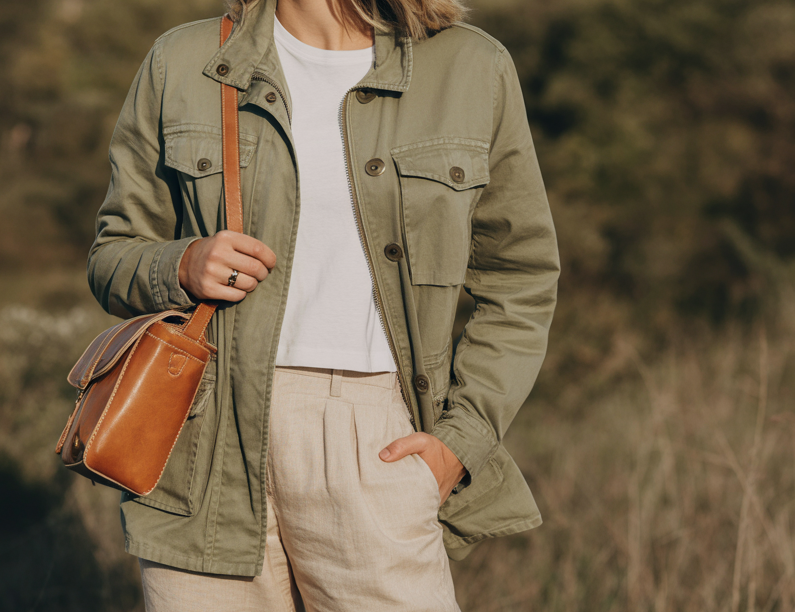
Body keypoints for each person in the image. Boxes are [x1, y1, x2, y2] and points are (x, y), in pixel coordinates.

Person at [86, 0, 559, 608]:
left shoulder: (470, 65)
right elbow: (112, 254)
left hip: (377, 438)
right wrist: (181, 263)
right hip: (204, 441)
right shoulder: (184, 61)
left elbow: (519, 277)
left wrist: (458, 442)